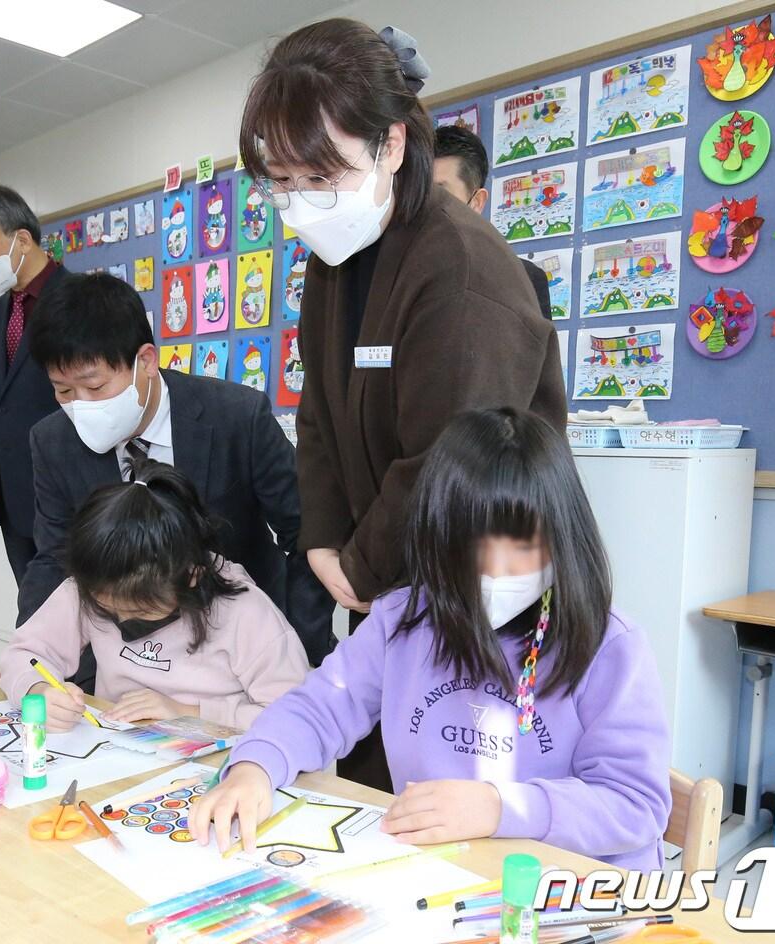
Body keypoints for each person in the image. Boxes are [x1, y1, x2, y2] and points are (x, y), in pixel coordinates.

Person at [237, 19, 567, 789]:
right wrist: (322, 539)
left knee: (454, 783)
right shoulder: (338, 253)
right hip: (382, 574)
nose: (298, 203)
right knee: (370, 768)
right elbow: (316, 408)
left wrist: (356, 561)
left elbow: (444, 460)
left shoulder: (459, 268)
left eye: (318, 175)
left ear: (389, 145)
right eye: (279, 181)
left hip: (481, 580)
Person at [189, 408, 672, 872]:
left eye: (520, 554)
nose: (496, 577)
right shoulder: (404, 619)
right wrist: (255, 765)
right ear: (435, 543)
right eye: (471, 557)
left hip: (572, 892)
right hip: (446, 876)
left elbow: (636, 804)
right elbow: (319, 708)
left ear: (562, 542)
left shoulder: (609, 646)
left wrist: (500, 806)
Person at [17, 272, 336, 675]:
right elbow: (54, 560)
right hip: (126, 660)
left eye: (94, 387)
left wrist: (295, 645)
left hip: (241, 652)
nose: (80, 405)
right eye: (63, 391)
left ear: (146, 361)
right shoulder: (53, 441)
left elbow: (308, 533)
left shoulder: (236, 417)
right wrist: (38, 664)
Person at [0, 460, 308, 730]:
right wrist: (38, 691)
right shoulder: (95, 583)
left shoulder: (244, 613)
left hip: (220, 763)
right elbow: (23, 654)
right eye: (106, 607)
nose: (122, 621)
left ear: (192, 575)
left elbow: (296, 719)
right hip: (120, 753)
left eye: (142, 611)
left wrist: (186, 713)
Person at [0, 185, 64, 585]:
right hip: (11, 492)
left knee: (78, 614)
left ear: (22, 239)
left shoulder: (76, 300)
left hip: (64, 490)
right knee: (31, 608)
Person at [432, 124, 553, 319]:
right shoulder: (395, 277)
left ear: (476, 202)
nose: (425, 206)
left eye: (440, 194)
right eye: (420, 193)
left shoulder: (524, 280)